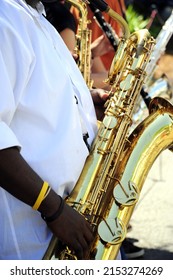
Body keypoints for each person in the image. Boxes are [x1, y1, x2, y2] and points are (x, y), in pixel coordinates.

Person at [0, 0, 110, 260]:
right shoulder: (5, 15)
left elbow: (33, 102)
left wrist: (85, 103)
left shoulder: (38, 18)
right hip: (36, 245)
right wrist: (54, 209)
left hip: (70, 223)